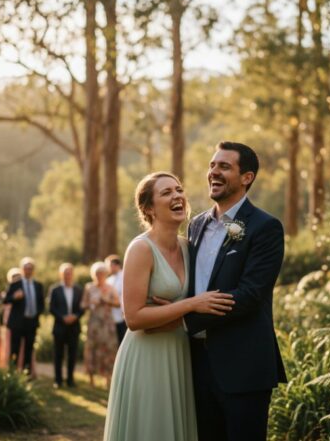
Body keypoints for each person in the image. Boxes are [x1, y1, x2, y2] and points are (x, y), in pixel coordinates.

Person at [103, 172, 235, 441]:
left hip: (180, 353)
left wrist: (177, 312)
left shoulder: (188, 247)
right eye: (166, 193)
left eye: (178, 190)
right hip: (147, 355)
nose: (177, 196)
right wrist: (190, 304)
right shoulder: (141, 249)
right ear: (149, 209)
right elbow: (134, 318)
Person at [182, 142, 287, 441]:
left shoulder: (265, 227)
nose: (214, 172)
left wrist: (186, 315)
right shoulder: (196, 225)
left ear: (246, 178)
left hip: (244, 366)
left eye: (224, 166)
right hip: (196, 364)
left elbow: (250, 294)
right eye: (212, 165)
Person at [3, 257, 45, 376]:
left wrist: (37, 313)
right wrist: (14, 297)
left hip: (32, 322)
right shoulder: (15, 284)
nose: (28, 271)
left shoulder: (38, 285)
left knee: (29, 349)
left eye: (30, 268)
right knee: (14, 349)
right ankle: (12, 374)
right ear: (22, 269)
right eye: (26, 268)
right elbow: (6, 300)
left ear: (33, 270)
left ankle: (27, 375)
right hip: (17, 322)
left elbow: (41, 303)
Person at [82, 262, 119, 387]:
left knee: (108, 349)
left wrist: (106, 301)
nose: (100, 276)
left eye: (102, 274)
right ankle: (91, 378)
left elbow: (118, 303)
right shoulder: (89, 287)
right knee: (92, 348)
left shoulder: (110, 287)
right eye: (97, 274)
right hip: (94, 323)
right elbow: (83, 304)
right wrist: (90, 303)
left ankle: (107, 378)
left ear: (105, 275)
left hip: (107, 323)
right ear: (94, 275)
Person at [49, 263, 85, 389]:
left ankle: (70, 379)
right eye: (65, 273)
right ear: (61, 274)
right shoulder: (55, 289)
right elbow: (51, 308)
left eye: (69, 273)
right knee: (58, 355)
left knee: (72, 355)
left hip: (74, 327)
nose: (67, 275)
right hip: (59, 326)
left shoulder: (79, 290)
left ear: (72, 274)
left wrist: (75, 316)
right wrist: (63, 318)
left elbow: (82, 308)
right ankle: (58, 380)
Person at [105, 254, 127, 345]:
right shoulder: (108, 280)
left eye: (109, 265)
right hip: (111, 316)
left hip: (123, 315)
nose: (108, 268)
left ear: (117, 265)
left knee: (123, 340)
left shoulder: (125, 276)